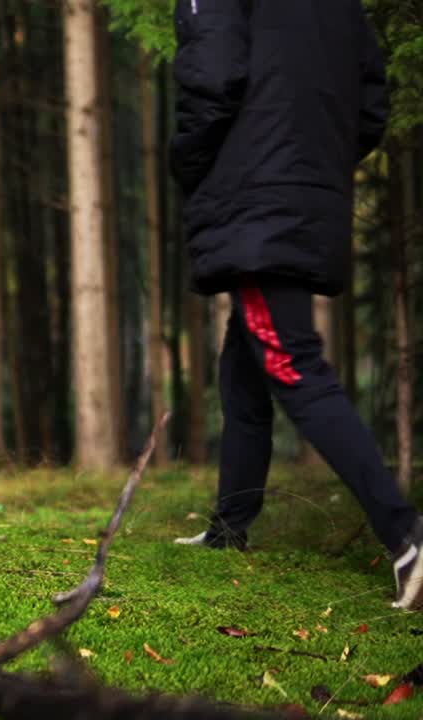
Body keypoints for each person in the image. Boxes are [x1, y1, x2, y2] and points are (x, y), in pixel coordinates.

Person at [167, 0, 422, 610]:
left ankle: (407, 538)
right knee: (245, 358)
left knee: (291, 363)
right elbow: (369, 106)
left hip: (257, 191)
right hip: (299, 188)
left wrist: (191, 163)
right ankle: (231, 527)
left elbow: (213, 78)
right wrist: (311, 164)